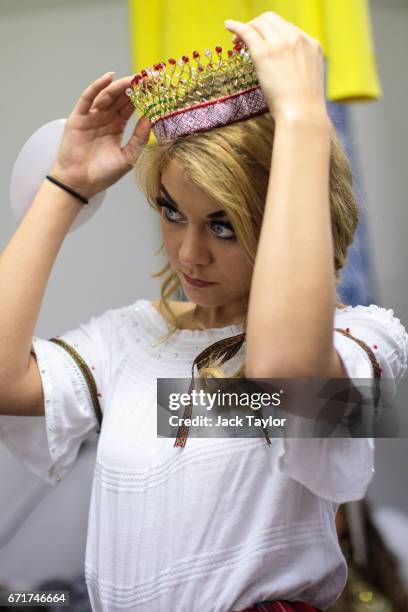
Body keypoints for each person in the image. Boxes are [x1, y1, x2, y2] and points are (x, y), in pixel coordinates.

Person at [0, 11, 407, 612]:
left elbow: (282, 376)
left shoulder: (367, 341)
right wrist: (68, 185)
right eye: (170, 212)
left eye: (223, 224)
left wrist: (301, 119)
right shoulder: (132, 340)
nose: (189, 254)